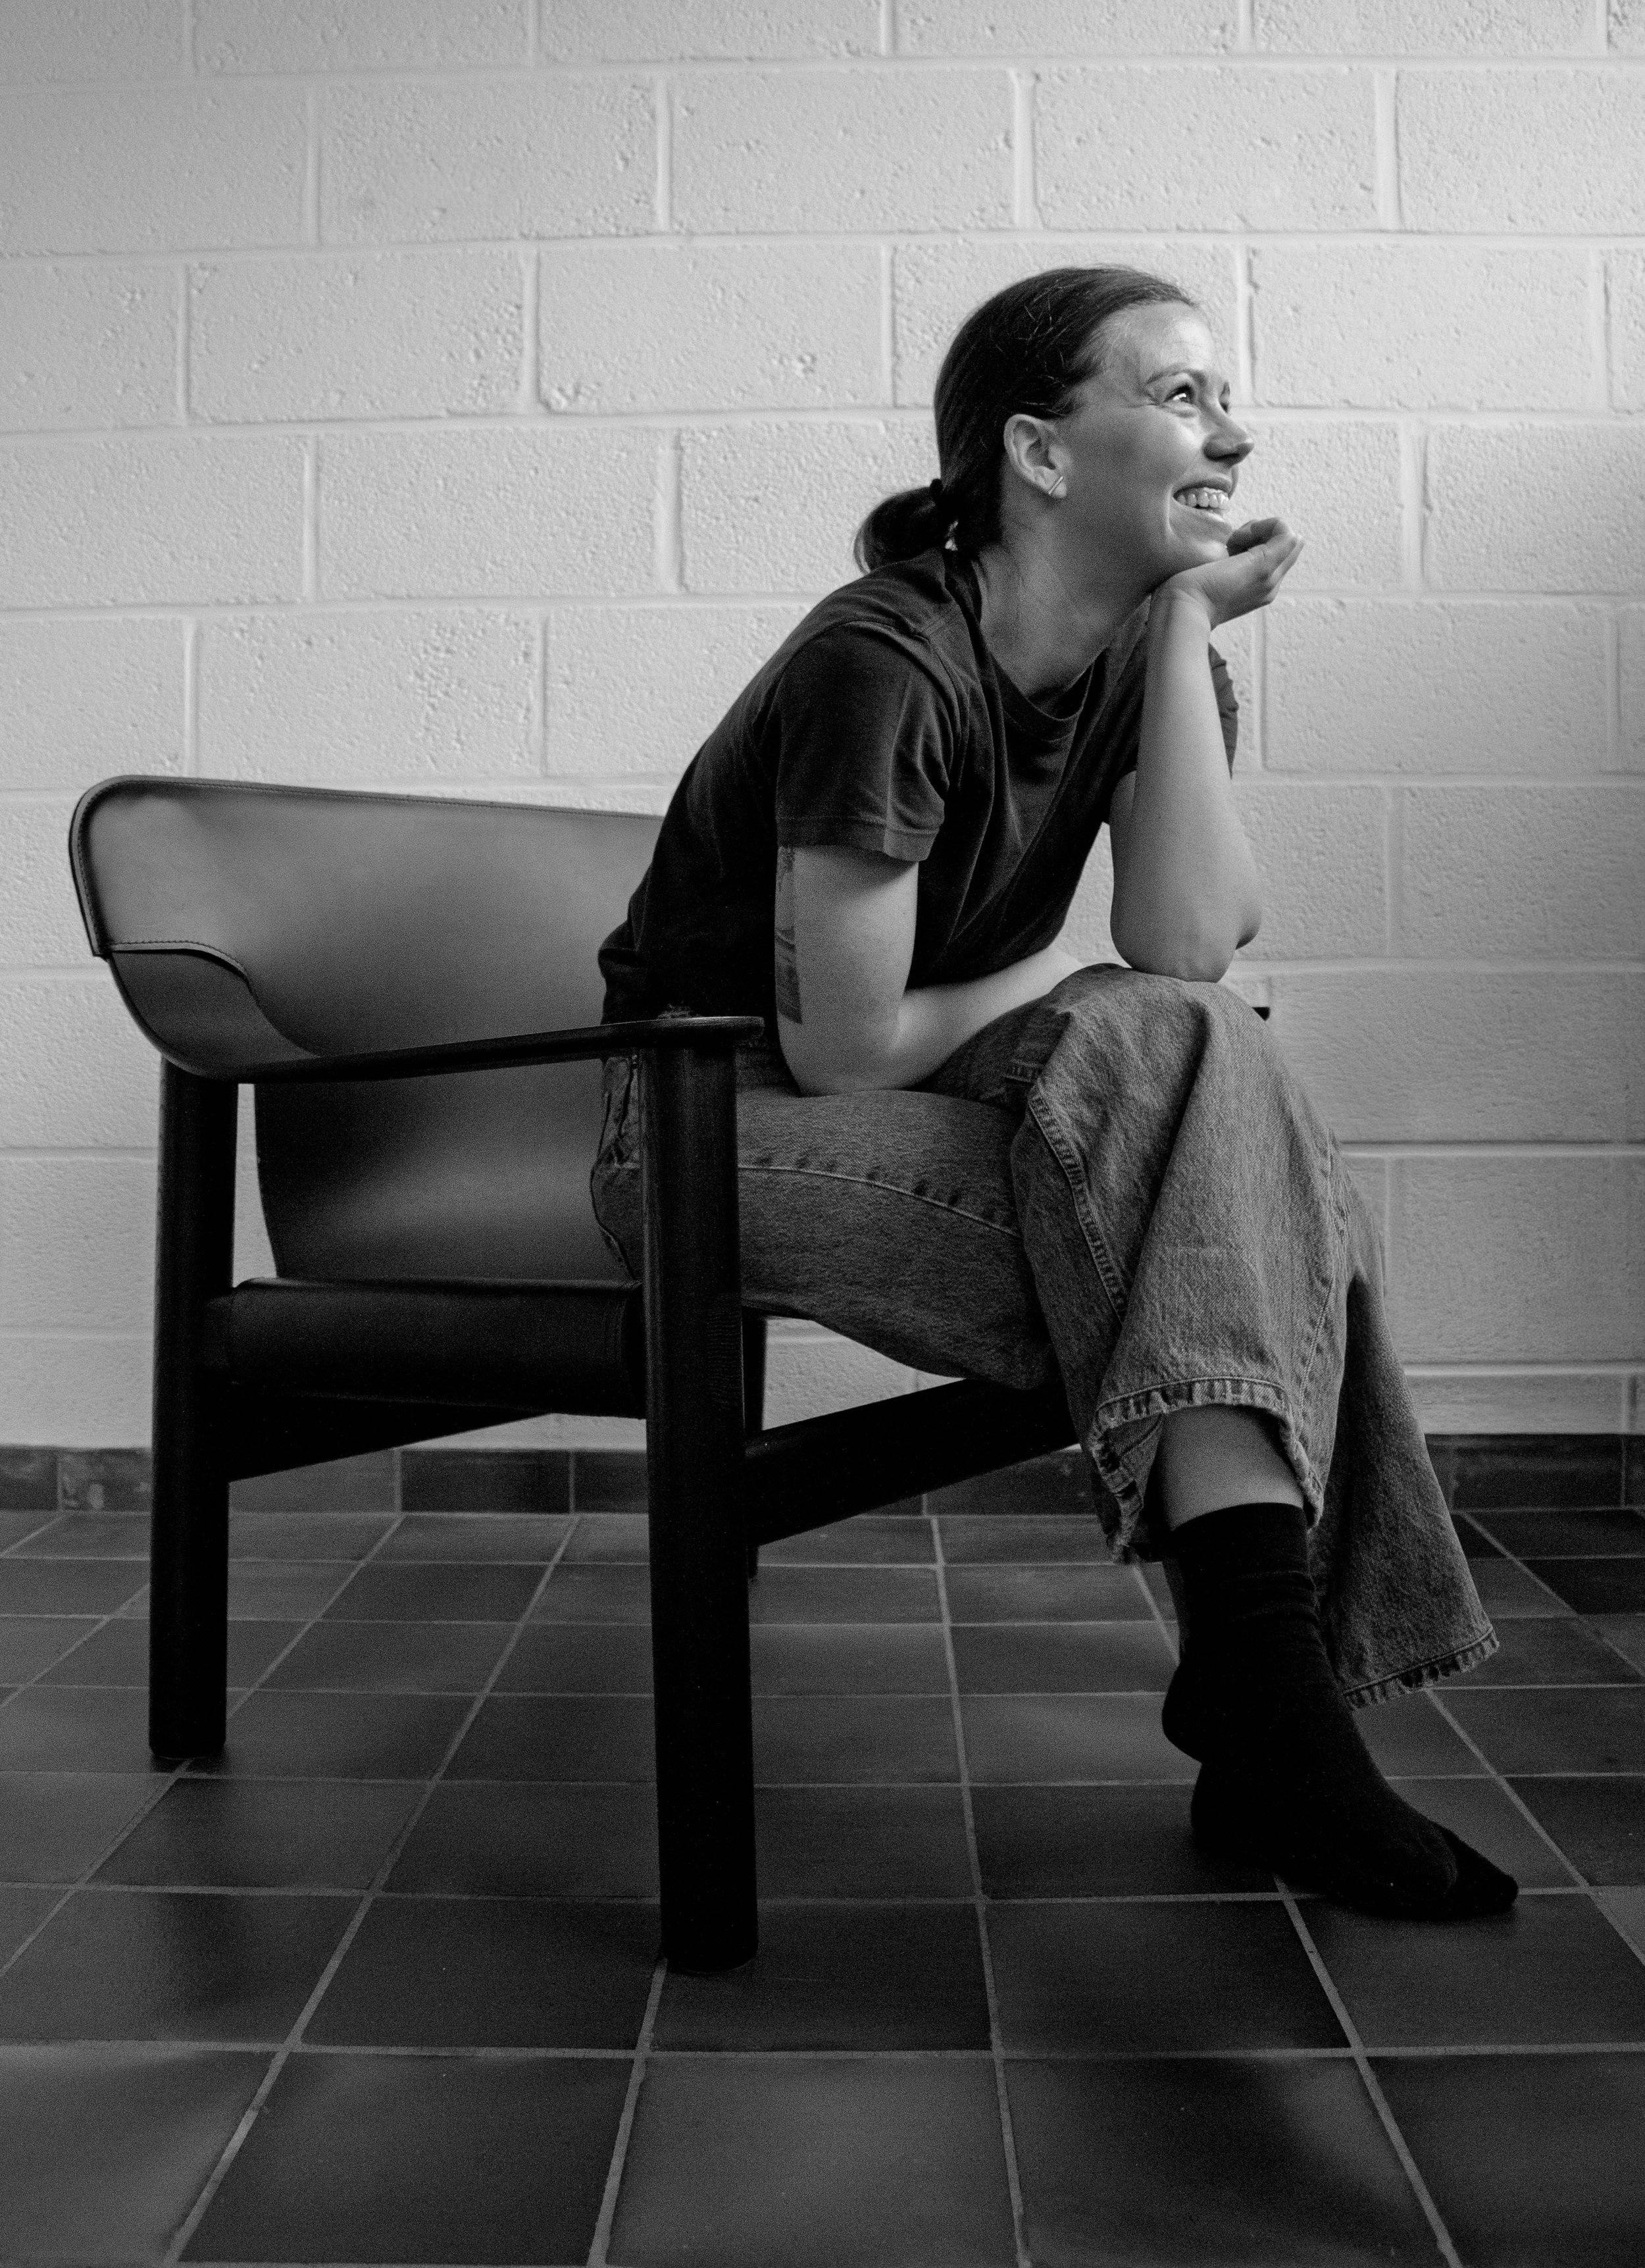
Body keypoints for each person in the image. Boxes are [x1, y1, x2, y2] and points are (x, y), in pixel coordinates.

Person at [592, 265, 1515, 1922]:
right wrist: (1098, 990)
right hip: (707, 1127)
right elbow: (844, 1051)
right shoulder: (884, 660)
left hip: (933, 1102)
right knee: (1230, 1191)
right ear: (1032, 449)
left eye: (1220, 397)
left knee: (1197, 1060)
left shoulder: (1150, 661)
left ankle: (1258, 1692)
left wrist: (1174, 633)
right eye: (1175, 397)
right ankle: (1267, 1705)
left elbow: (1176, 938)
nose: (1229, 433)